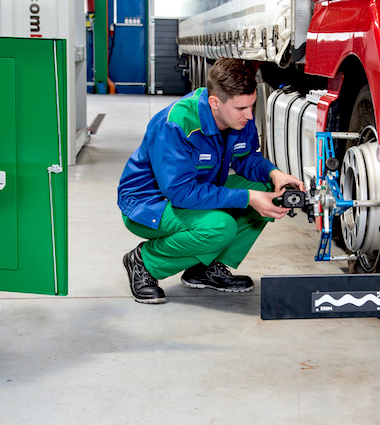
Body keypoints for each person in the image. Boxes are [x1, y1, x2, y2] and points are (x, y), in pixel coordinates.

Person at [117, 58, 304, 304]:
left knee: (269, 192)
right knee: (220, 226)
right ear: (215, 102)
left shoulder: (239, 119)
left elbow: (246, 157)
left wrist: (274, 174)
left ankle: (204, 269)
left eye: (252, 106)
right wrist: (247, 197)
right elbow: (181, 192)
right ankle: (145, 261)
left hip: (197, 190)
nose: (249, 115)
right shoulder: (175, 123)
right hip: (149, 204)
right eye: (241, 109)